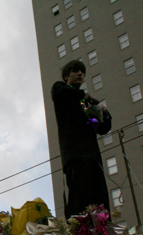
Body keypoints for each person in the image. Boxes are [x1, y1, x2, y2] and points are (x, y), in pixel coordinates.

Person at [51, 60, 112, 219]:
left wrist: (104, 113)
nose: (80, 74)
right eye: (75, 71)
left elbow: (103, 128)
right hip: (75, 156)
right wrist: (86, 96)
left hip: (93, 157)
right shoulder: (61, 91)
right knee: (80, 201)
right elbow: (60, 90)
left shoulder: (86, 104)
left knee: (100, 201)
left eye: (82, 72)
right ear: (66, 76)